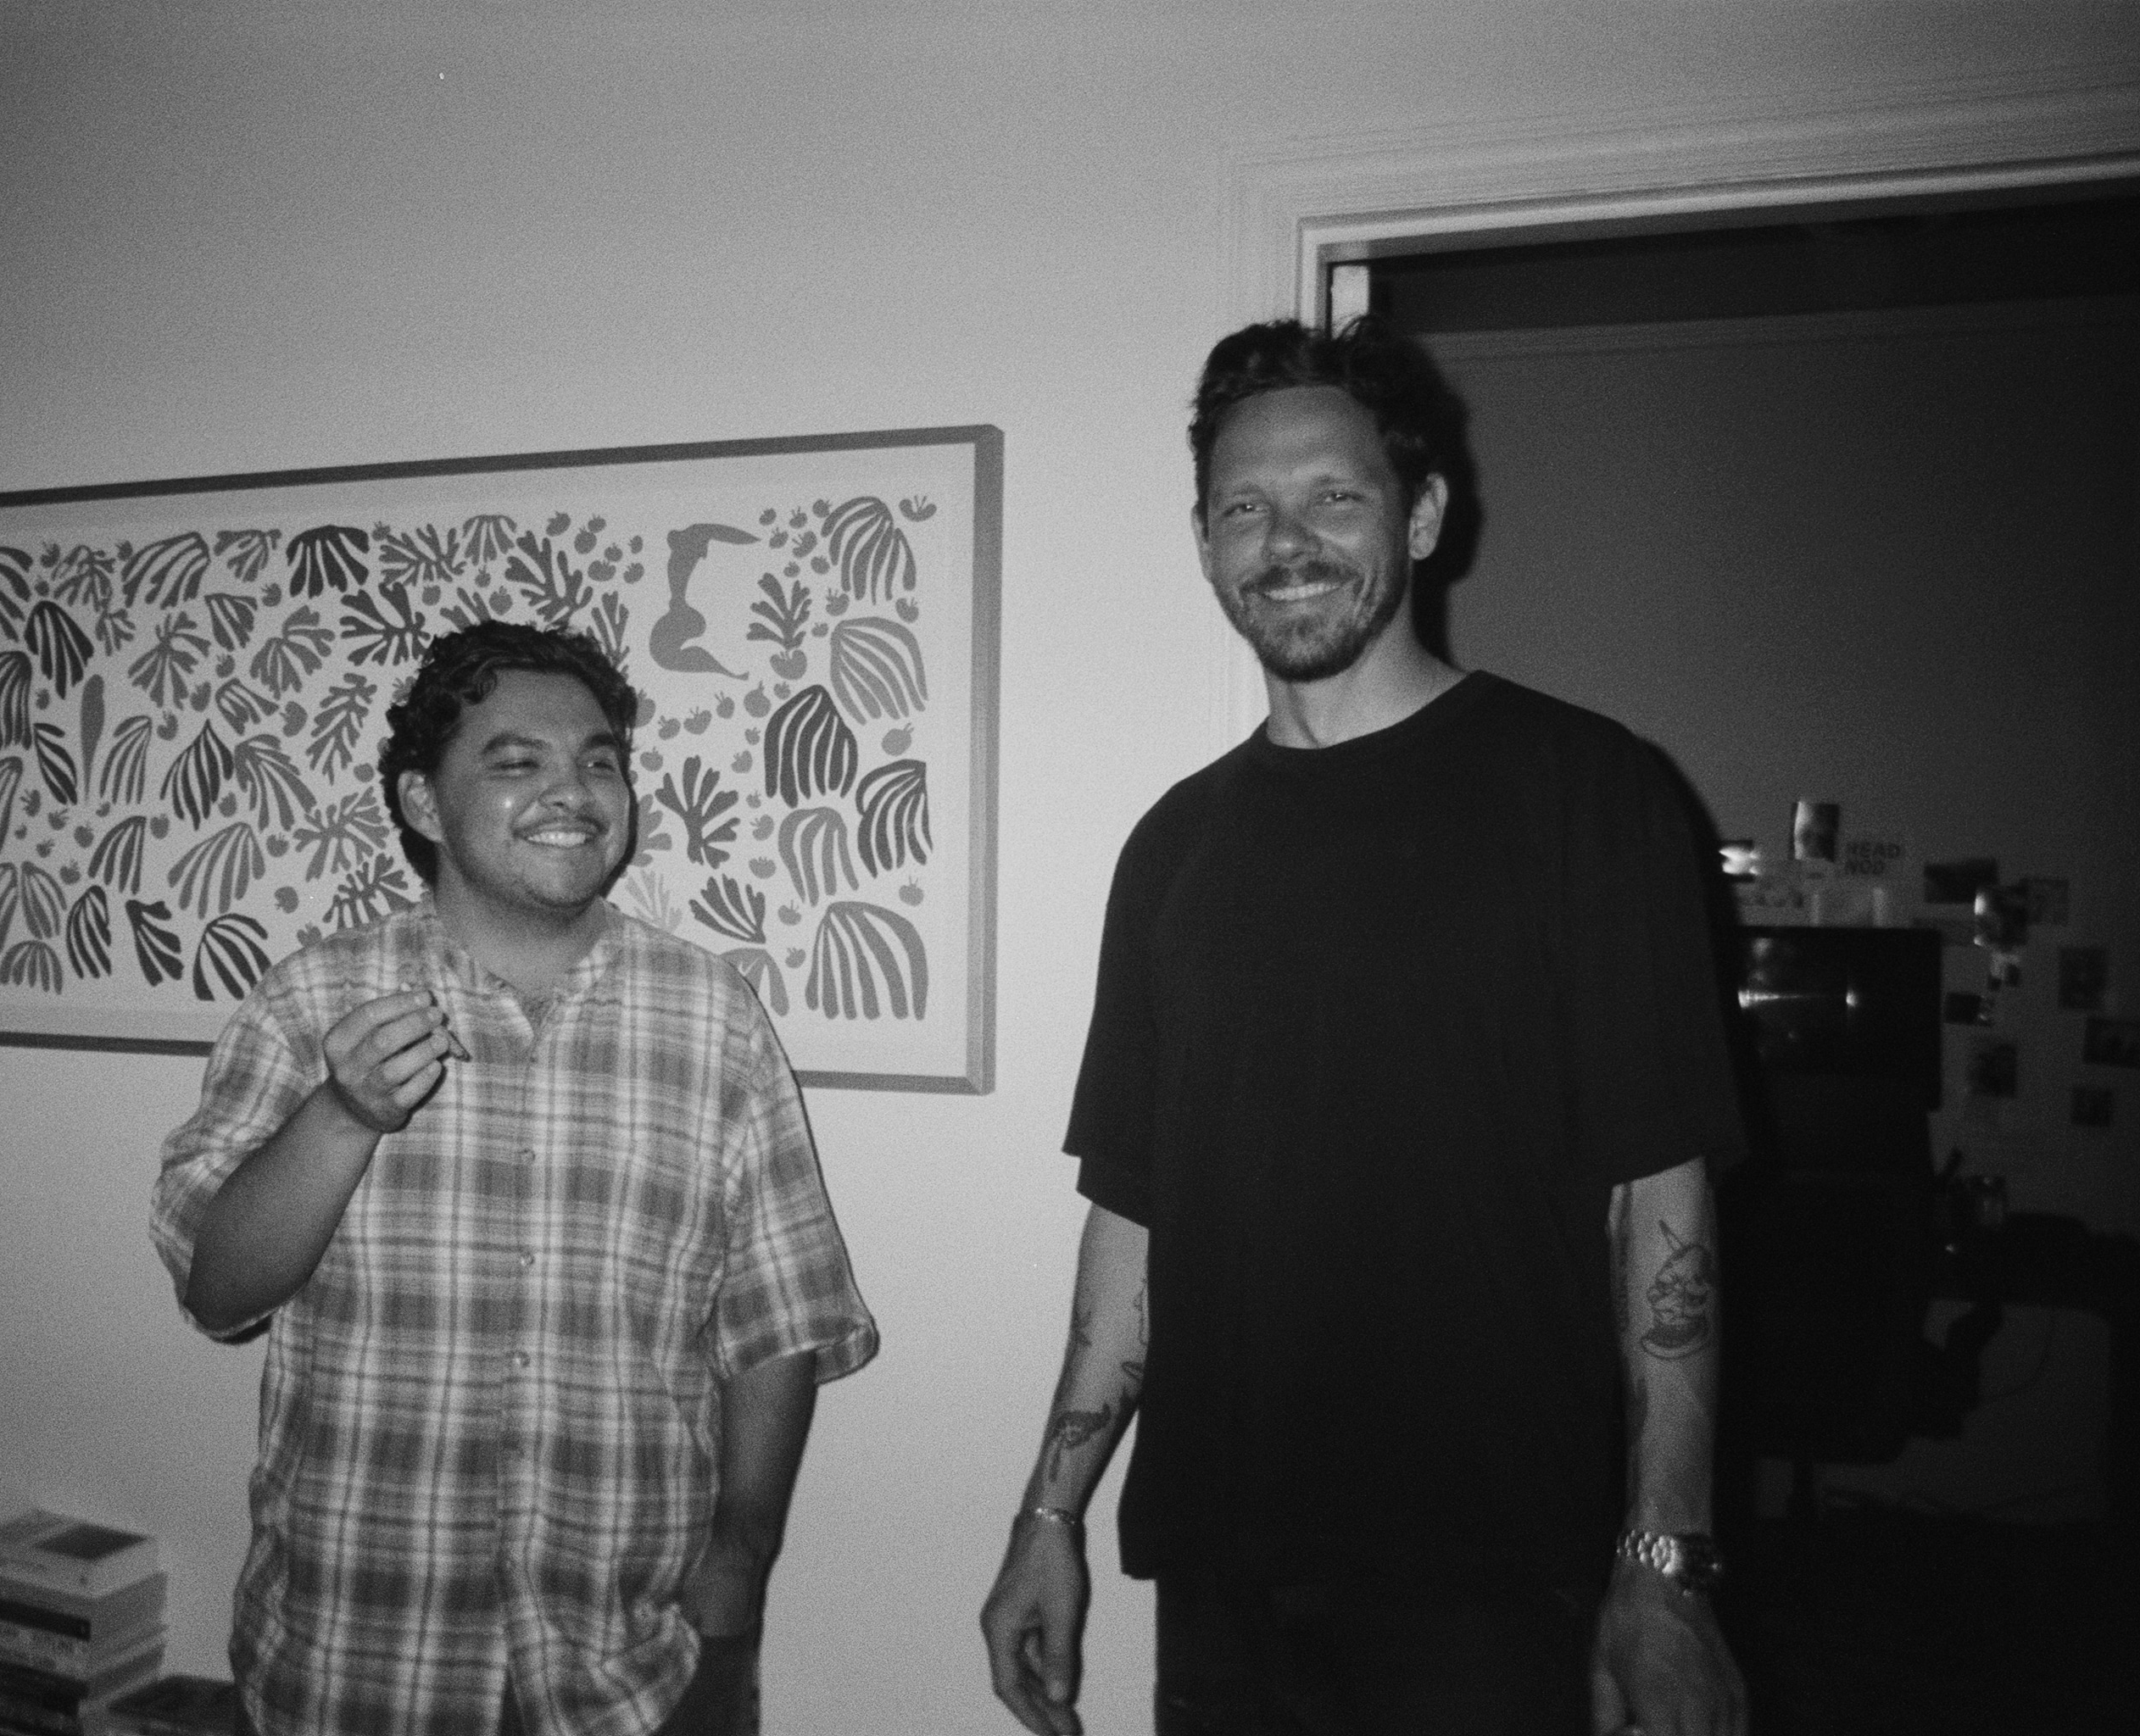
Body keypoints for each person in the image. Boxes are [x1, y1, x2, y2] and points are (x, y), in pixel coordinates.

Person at [979, 318, 1750, 1736]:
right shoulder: (1172, 848)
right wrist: (1047, 1512)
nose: (1284, 542)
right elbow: (1134, 1214)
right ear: (1202, 543)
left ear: (1423, 515)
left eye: (1332, 496)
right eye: (1242, 509)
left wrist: (1664, 1565)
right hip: (1222, 1571)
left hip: (1491, 1581)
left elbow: (1663, 1198)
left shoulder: (1586, 792)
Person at [153, 620, 877, 1736]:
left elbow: (776, 1312)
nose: (573, 790)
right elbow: (218, 1292)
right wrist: (342, 1115)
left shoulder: (713, 1016)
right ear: (423, 803)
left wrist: (741, 1561)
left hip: (632, 1668)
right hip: (350, 1660)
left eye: (599, 761)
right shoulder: (310, 1001)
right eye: (515, 761)